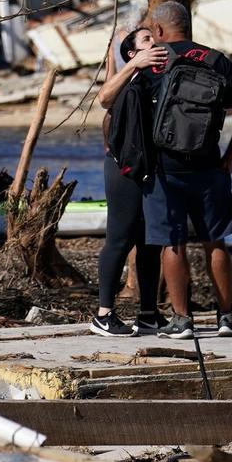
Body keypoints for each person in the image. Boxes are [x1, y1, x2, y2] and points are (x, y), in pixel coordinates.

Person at [138, 1, 232, 340]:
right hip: (209, 166)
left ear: (159, 31)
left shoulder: (153, 62)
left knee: (172, 244)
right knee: (214, 241)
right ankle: (227, 317)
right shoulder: (215, 60)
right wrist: (231, 157)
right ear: (188, 27)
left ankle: (182, 320)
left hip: (163, 169)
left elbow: (122, 114)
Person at [90, 26, 167, 337]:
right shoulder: (131, 78)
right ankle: (103, 314)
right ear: (132, 54)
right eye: (147, 40)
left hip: (150, 169)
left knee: (150, 243)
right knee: (120, 239)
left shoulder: (157, 76)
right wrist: (129, 64)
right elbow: (104, 98)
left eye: (154, 37)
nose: (154, 43)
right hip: (122, 170)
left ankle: (148, 312)